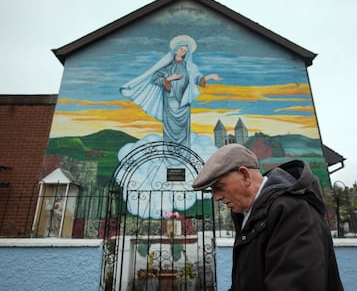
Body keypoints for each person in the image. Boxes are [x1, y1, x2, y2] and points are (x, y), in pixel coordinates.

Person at [192, 143, 344, 290]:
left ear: (245, 176)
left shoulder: (293, 212)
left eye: (219, 187)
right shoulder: (251, 215)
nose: (216, 197)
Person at [120, 35, 221, 148]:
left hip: (184, 103)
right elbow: (155, 78)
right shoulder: (167, 66)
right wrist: (170, 78)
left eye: (185, 51)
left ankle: (183, 153)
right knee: (171, 128)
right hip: (170, 101)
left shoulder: (189, 67)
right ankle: (170, 152)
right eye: (181, 49)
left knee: (183, 130)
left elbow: (197, 78)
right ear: (176, 49)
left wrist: (211, 76)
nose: (183, 52)